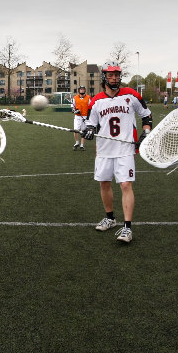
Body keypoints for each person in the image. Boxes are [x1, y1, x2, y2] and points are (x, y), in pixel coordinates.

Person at [83, 61, 152, 243]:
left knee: (125, 185)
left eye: (117, 75)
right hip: (104, 149)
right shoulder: (96, 100)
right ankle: (110, 218)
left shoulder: (131, 95)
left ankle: (127, 228)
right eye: (111, 75)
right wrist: (89, 130)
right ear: (105, 77)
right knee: (104, 184)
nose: (114, 78)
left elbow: (146, 115)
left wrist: (146, 133)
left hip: (125, 149)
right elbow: (90, 123)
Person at [71, 85, 90, 151]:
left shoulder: (88, 97)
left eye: (83, 89)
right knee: (76, 130)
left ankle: (82, 145)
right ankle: (77, 143)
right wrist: (75, 110)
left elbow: (91, 107)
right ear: (79, 90)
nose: (82, 90)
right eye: (81, 89)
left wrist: (88, 116)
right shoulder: (75, 98)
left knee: (83, 131)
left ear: (85, 90)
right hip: (77, 117)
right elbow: (72, 107)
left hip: (85, 117)